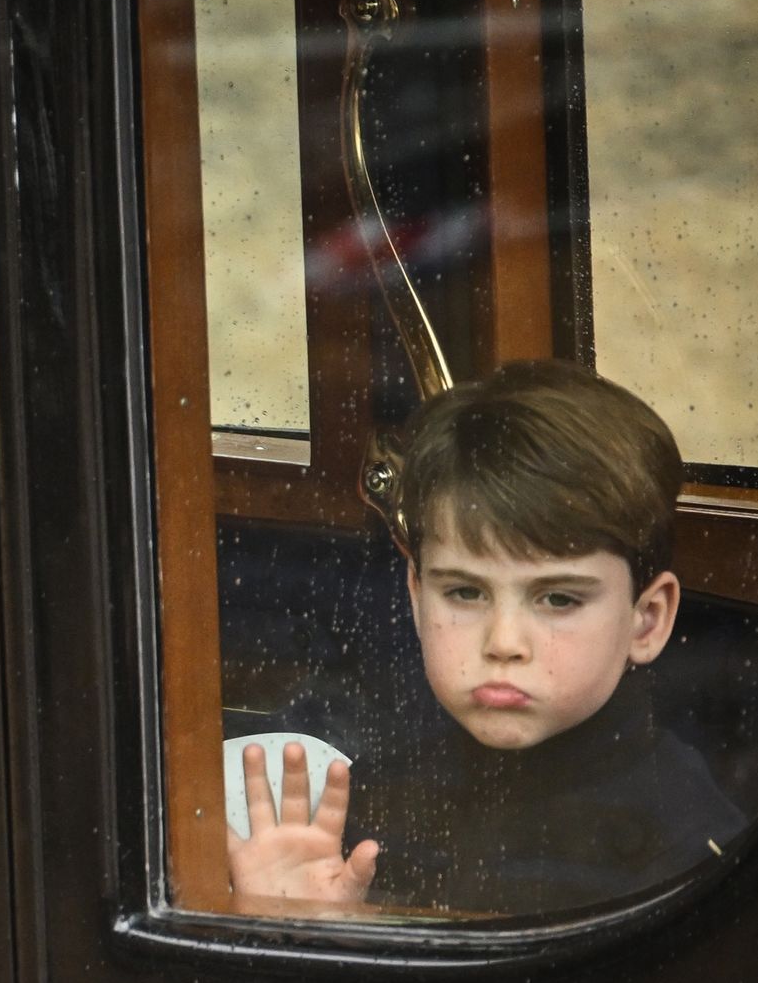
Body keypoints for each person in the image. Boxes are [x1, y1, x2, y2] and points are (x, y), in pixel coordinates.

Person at [229, 361, 748, 913]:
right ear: (416, 593)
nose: (503, 643)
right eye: (465, 593)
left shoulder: (697, 853)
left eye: (558, 599)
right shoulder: (378, 799)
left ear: (647, 620)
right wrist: (299, 920)